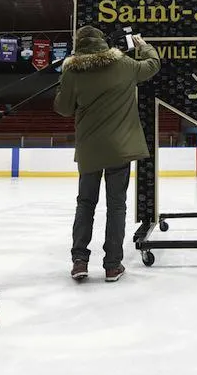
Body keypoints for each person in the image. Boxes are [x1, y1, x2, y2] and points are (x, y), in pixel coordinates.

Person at [54, 26, 160, 282]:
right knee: (116, 206)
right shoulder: (123, 64)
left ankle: (79, 261)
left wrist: (63, 86)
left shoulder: (72, 70)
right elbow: (152, 64)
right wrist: (141, 45)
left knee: (85, 204)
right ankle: (113, 265)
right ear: (102, 42)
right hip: (119, 149)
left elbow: (63, 108)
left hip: (90, 150)